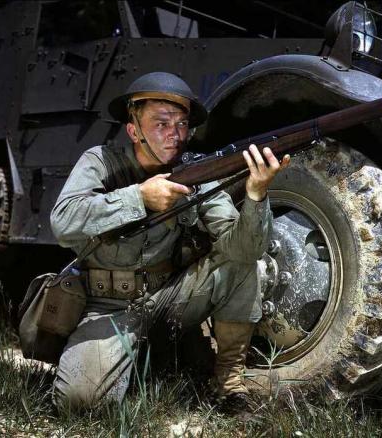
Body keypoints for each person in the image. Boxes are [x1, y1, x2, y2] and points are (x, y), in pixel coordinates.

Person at [49, 71, 290, 412]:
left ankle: (229, 384)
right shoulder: (100, 162)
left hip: (172, 297)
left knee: (240, 263)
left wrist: (255, 195)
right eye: (161, 123)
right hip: (109, 305)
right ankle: (150, 354)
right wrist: (138, 198)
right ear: (133, 130)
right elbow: (62, 222)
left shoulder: (197, 174)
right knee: (80, 403)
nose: (174, 135)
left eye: (181, 124)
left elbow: (244, 250)